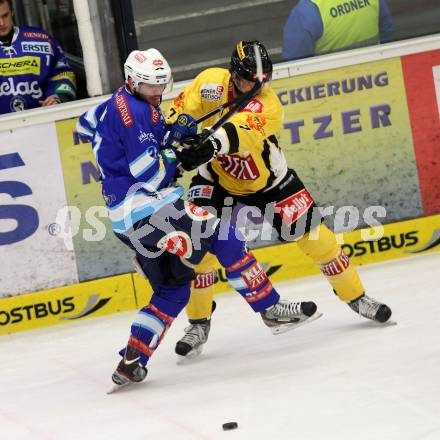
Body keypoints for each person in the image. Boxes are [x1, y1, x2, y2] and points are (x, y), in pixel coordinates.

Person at [76, 48, 320, 388]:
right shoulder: (137, 114)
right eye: (150, 87)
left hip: (124, 220)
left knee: (174, 289)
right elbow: (149, 173)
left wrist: (165, 135)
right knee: (225, 237)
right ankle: (270, 308)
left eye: (161, 85)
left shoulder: (116, 102)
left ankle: (133, 359)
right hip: (152, 208)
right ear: (132, 80)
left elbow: (83, 125)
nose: (157, 93)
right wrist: (174, 149)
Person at [165, 40, 392, 358]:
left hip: (270, 182)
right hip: (217, 181)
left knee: (318, 239)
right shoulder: (209, 84)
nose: (256, 87)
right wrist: (175, 139)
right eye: (248, 80)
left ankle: (356, 297)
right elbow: (179, 112)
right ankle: (199, 322)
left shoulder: (268, 105)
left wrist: (208, 146)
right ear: (232, 74)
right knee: (197, 249)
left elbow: (238, 132)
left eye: (263, 80)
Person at [0, 0, 76, 114]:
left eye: (4, 16)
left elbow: (64, 74)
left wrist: (59, 96)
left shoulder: (42, 39)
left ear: (12, 12)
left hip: (42, 121)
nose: (1, 23)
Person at [282, 0, 393, 61]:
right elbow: (387, 33)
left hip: (329, 87)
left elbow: (294, 67)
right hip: (376, 75)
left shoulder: (306, 12)